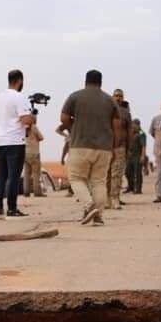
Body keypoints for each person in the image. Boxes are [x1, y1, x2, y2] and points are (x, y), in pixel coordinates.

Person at [61, 70, 120, 225]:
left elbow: (64, 118)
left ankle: (89, 205)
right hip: (104, 148)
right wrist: (113, 148)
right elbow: (116, 127)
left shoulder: (75, 96)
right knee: (99, 181)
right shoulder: (110, 100)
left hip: (80, 145)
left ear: (85, 81)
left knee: (76, 178)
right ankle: (98, 216)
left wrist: (73, 128)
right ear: (101, 82)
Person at [0, 69, 35, 219]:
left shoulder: (0, 97)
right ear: (20, 80)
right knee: (14, 176)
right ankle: (12, 209)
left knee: (1, 176)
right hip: (15, 142)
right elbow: (25, 120)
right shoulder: (19, 97)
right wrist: (33, 116)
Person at [107, 90, 134, 209]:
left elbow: (129, 131)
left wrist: (129, 147)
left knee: (117, 174)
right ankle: (106, 199)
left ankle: (115, 198)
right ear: (112, 97)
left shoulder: (125, 112)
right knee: (106, 174)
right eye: (116, 96)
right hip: (106, 146)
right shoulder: (106, 110)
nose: (118, 98)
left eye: (120, 96)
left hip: (120, 147)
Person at [23, 121, 45, 197]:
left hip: (25, 153)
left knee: (26, 174)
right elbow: (41, 137)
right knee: (36, 174)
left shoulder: (22, 127)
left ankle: (26, 192)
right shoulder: (34, 127)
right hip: (34, 153)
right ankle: (37, 192)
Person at [126, 118, 147, 194]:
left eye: (134, 125)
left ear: (137, 125)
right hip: (130, 156)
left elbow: (143, 146)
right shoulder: (131, 133)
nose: (132, 126)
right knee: (127, 171)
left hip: (137, 155)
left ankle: (138, 189)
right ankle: (130, 186)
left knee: (137, 172)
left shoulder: (141, 134)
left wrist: (143, 156)